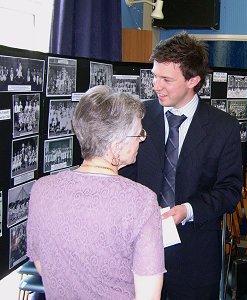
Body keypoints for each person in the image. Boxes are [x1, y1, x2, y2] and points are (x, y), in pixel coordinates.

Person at [120, 32, 243, 300]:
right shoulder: (138, 117)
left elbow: (230, 190)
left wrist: (186, 211)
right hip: (135, 251)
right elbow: (123, 178)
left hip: (195, 256)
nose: (156, 86)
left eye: (166, 79)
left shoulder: (224, 128)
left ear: (193, 80)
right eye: (154, 76)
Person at [26, 85, 166, 300]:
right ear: (117, 144)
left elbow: (43, 266)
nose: (142, 139)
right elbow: (149, 296)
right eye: (139, 133)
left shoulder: (42, 189)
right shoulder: (142, 201)